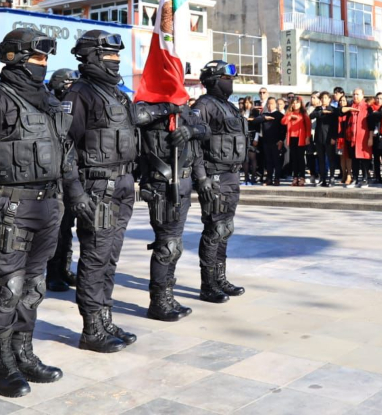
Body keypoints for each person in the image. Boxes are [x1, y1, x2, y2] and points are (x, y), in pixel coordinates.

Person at [0, 29, 79, 398]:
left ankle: (23, 353)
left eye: (46, 60)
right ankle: (1, 364)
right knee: (9, 286)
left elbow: (67, 152)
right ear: (13, 58)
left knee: (34, 285)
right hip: (10, 206)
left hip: (49, 205)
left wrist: (75, 195)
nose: (43, 66)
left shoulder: (50, 101)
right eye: (37, 58)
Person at [64, 32, 167, 353]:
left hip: (123, 184)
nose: (116, 61)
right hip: (97, 186)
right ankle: (91, 327)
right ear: (91, 57)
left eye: (117, 56)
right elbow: (64, 146)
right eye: (108, 56)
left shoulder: (118, 95)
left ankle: (105, 317)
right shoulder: (79, 94)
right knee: (95, 256)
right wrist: (75, 192)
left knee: (110, 254)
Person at [136, 90, 209, 321]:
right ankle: (158, 301)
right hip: (161, 185)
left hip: (184, 183)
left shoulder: (184, 110)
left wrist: (191, 130)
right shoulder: (149, 108)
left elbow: (206, 130)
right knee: (166, 245)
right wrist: (166, 109)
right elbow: (135, 118)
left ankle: (167, 294)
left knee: (174, 245)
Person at [193, 60, 247, 302]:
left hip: (231, 174)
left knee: (226, 229)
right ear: (214, 81)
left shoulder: (229, 106)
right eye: (226, 78)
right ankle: (208, 285)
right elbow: (193, 143)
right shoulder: (204, 105)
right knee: (214, 229)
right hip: (215, 176)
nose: (230, 82)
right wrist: (201, 177)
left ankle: (220, 278)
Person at [46, 68, 81, 292]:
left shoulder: (71, 105)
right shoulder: (50, 104)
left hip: (70, 174)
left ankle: (64, 269)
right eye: (69, 84)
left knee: (67, 227)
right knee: (56, 228)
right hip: (54, 176)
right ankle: (52, 274)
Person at [343, 88, 374, 188]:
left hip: (363, 137)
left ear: (362, 96)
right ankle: (355, 178)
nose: (355, 96)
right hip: (351, 138)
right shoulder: (350, 107)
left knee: (364, 158)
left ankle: (365, 178)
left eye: (357, 94)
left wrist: (370, 137)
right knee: (354, 159)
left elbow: (371, 124)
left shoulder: (367, 108)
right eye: (354, 94)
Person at [311, 92, 341, 187]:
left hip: (329, 137)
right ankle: (322, 178)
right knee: (321, 159)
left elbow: (336, 125)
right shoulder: (318, 109)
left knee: (331, 158)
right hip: (319, 137)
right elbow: (310, 116)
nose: (324, 99)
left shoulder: (333, 110)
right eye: (322, 98)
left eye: (325, 98)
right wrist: (321, 112)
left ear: (329, 99)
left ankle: (331, 177)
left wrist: (334, 137)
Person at [282, 97, 311, 186]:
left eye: (297, 103)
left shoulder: (303, 113)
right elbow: (283, 122)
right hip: (292, 138)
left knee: (300, 158)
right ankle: (295, 177)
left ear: (300, 104)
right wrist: (289, 116)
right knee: (294, 158)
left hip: (301, 138)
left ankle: (302, 177)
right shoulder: (289, 113)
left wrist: (307, 137)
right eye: (293, 103)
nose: (295, 105)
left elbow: (308, 126)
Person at [259, 97, 285, 186]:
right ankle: (269, 179)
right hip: (266, 141)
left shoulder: (280, 115)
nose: (270, 106)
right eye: (268, 104)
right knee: (268, 161)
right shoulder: (264, 114)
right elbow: (255, 121)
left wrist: (281, 140)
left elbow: (283, 129)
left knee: (276, 161)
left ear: (275, 104)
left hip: (276, 141)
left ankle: (277, 178)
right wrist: (264, 118)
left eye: (272, 104)